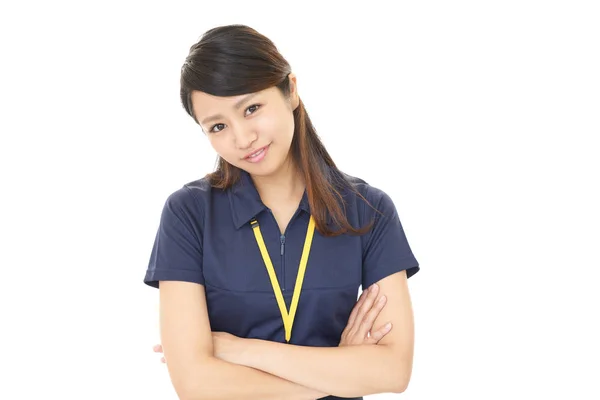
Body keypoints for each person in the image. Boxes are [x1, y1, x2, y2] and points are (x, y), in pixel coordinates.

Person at [143, 24, 420, 400]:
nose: (242, 139)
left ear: (290, 91)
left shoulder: (368, 210)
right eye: (218, 126)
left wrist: (238, 350)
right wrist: (339, 371)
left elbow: (392, 371)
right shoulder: (189, 213)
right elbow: (194, 384)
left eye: (252, 108)